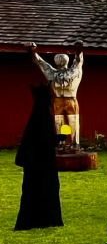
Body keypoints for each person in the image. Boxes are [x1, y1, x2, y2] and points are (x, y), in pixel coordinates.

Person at [15, 85, 63, 230]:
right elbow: (43, 141)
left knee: (33, 190)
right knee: (46, 188)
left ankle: (36, 219)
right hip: (42, 163)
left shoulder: (36, 116)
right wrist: (57, 139)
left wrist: (55, 138)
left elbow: (40, 139)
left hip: (35, 163)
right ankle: (46, 219)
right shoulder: (43, 116)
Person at [28, 41, 84, 145]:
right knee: (62, 123)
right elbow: (40, 63)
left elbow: (78, 61)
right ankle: (63, 144)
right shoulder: (60, 72)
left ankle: (73, 144)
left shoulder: (53, 73)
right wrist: (33, 52)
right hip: (63, 101)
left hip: (67, 100)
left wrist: (78, 51)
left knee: (69, 122)